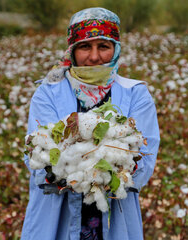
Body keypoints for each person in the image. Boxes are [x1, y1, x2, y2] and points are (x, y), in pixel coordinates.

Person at [21, 7, 160, 240]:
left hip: (114, 216)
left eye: (103, 46)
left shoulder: (136, 94)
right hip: (55, 220)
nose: (94, 57)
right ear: (72, 51)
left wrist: (74, 155)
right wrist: (109, 154)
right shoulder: (47, 93)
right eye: (85, 46)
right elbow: (37, 155)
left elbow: (142, 160)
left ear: (116, 49)